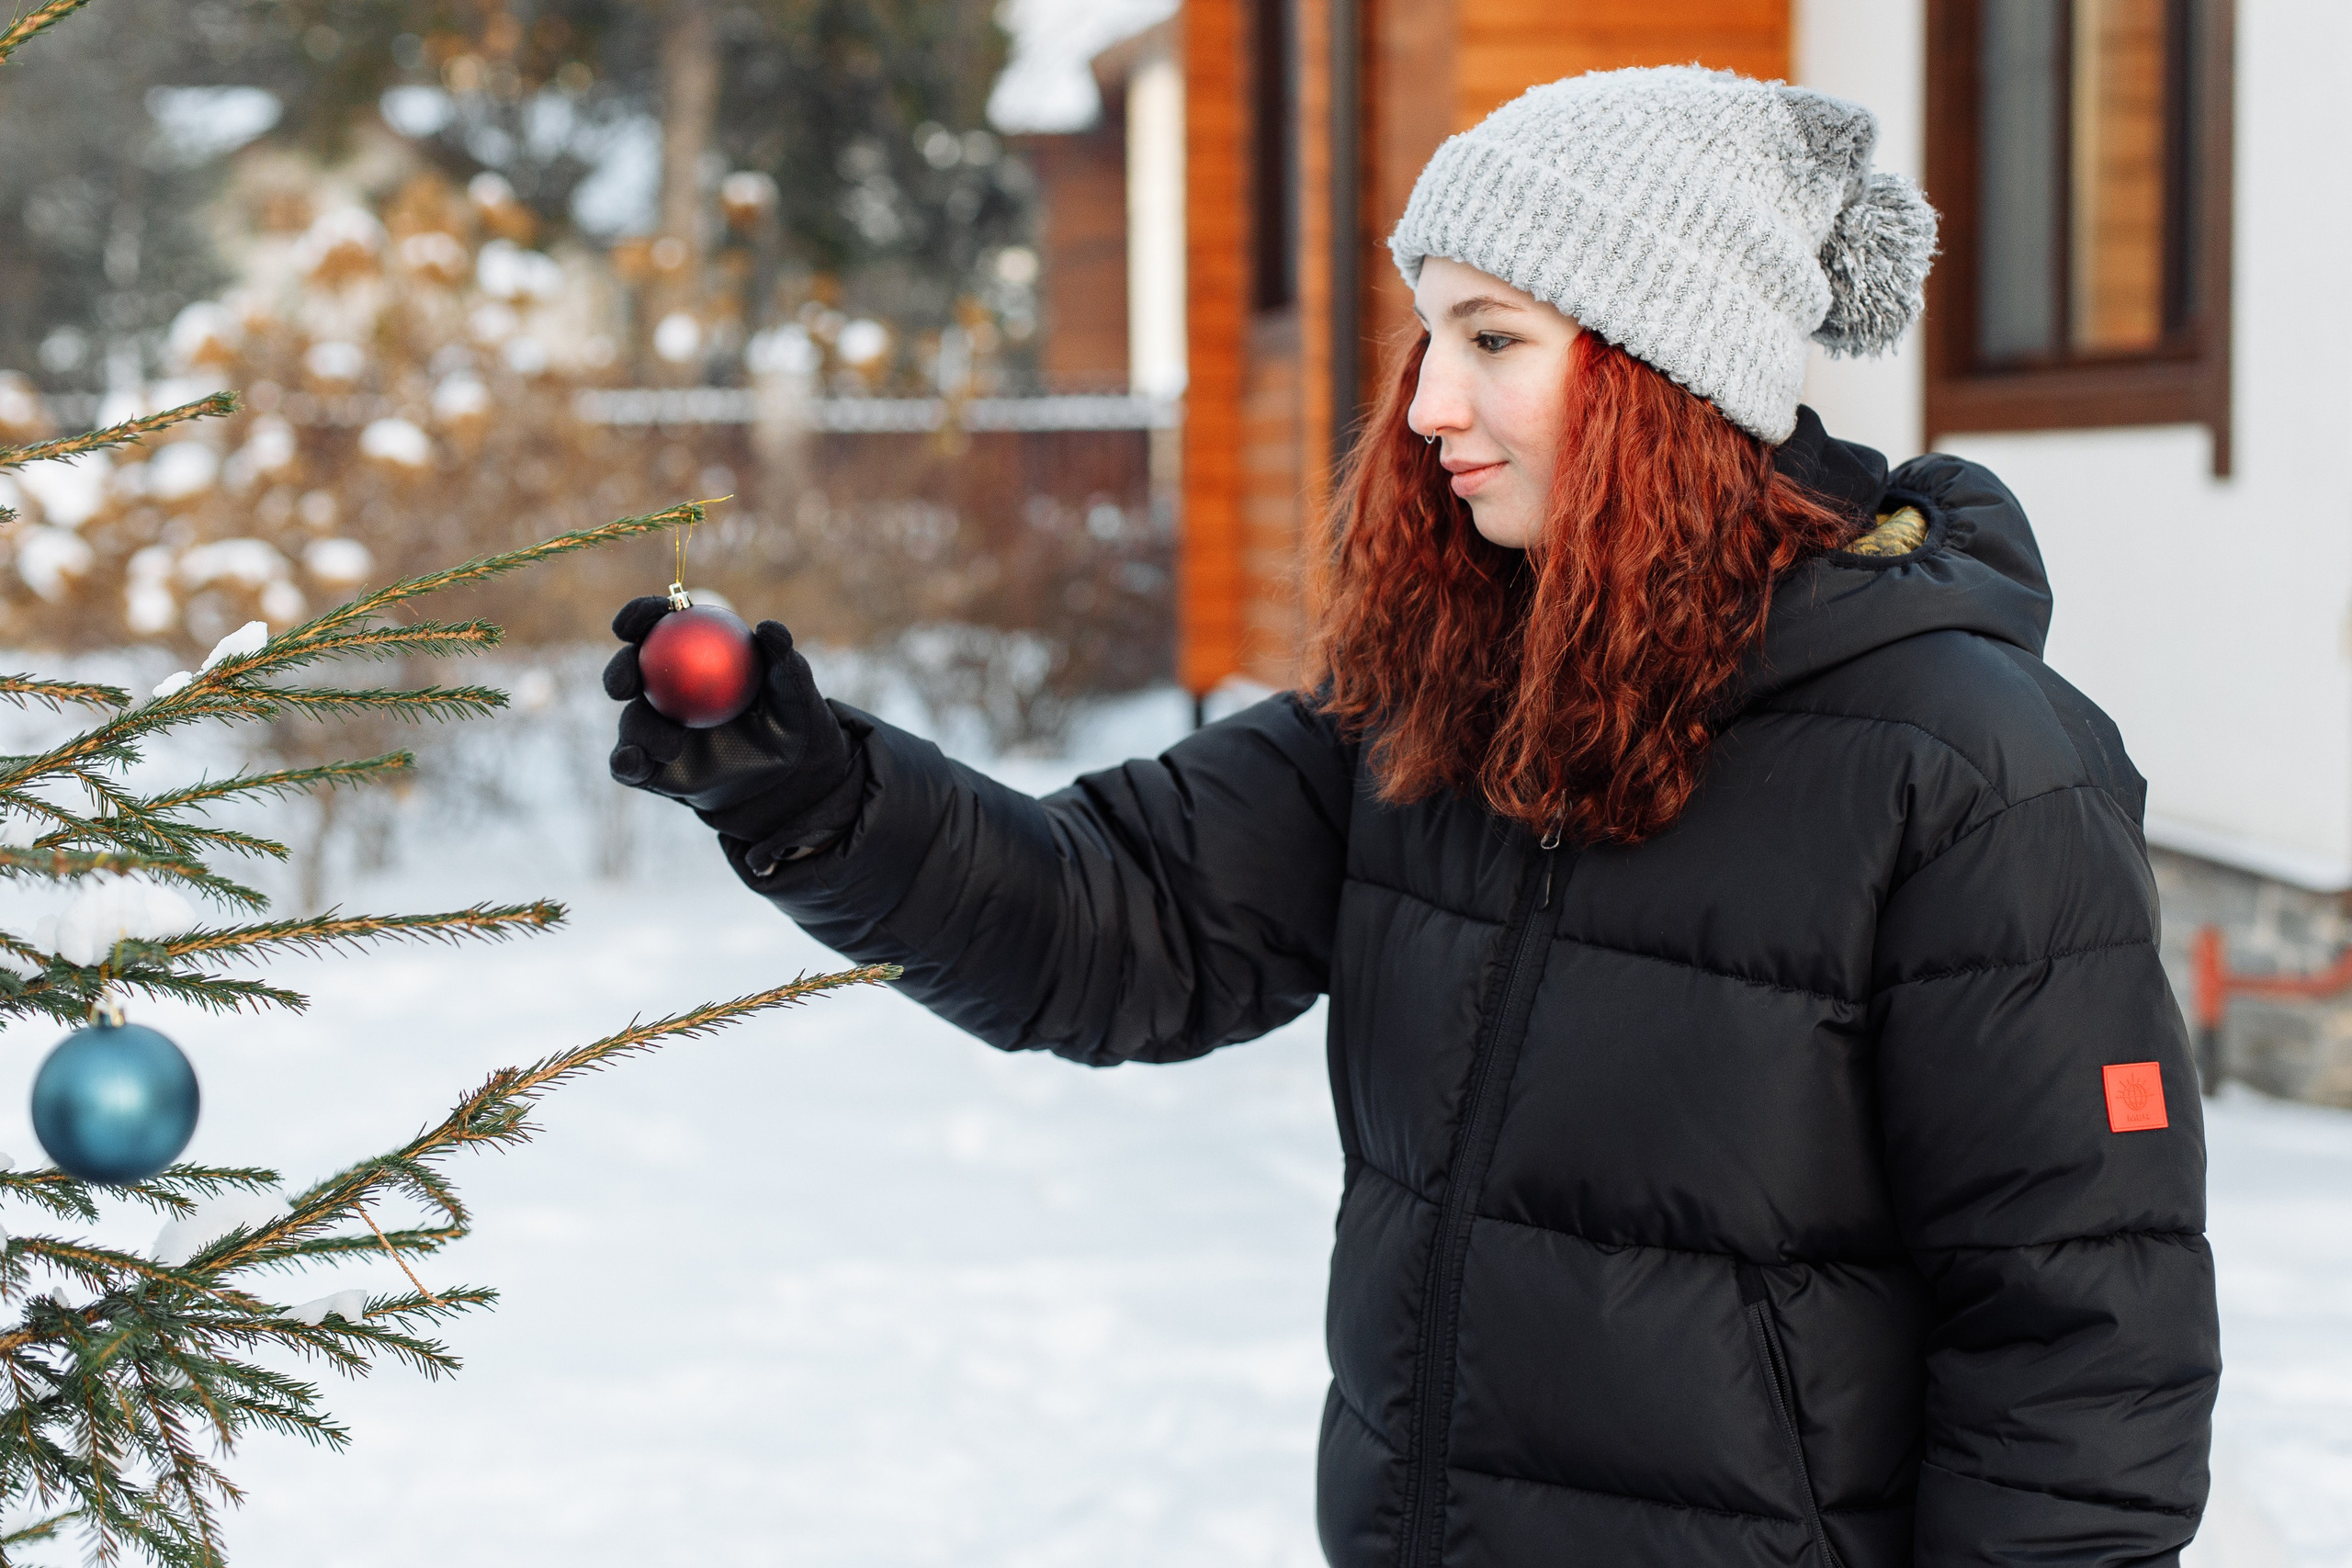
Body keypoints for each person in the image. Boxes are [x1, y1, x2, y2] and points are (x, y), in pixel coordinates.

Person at [605, 66, 2218, 1568]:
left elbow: (2083, 1352)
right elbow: (1113, 921)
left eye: (1493, 339)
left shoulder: (1974, 767)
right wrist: (810, 787)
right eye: (1425, 339)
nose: (1429, 403)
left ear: (1671, 365)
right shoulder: (1445, 710)